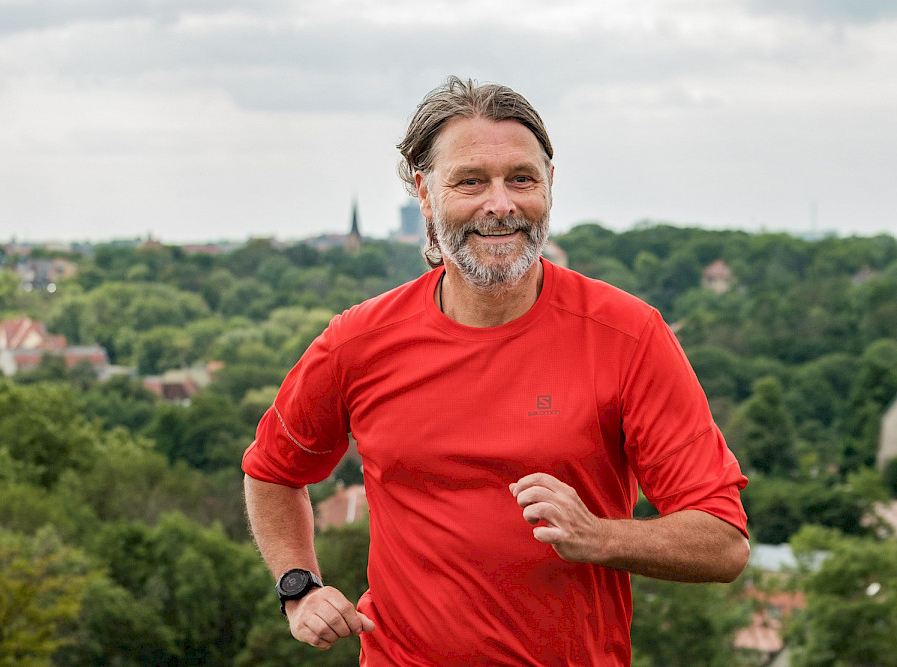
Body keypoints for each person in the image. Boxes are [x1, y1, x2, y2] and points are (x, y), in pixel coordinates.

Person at [243, 76, 750, 666]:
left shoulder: (628, 336)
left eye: (522, 178)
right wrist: (297, 587)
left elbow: (723, 540)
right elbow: (273, 471)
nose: (501, 204)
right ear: (426, 195)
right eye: (470, 182)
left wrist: (600, 536)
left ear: (550, 185)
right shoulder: (358, 341)